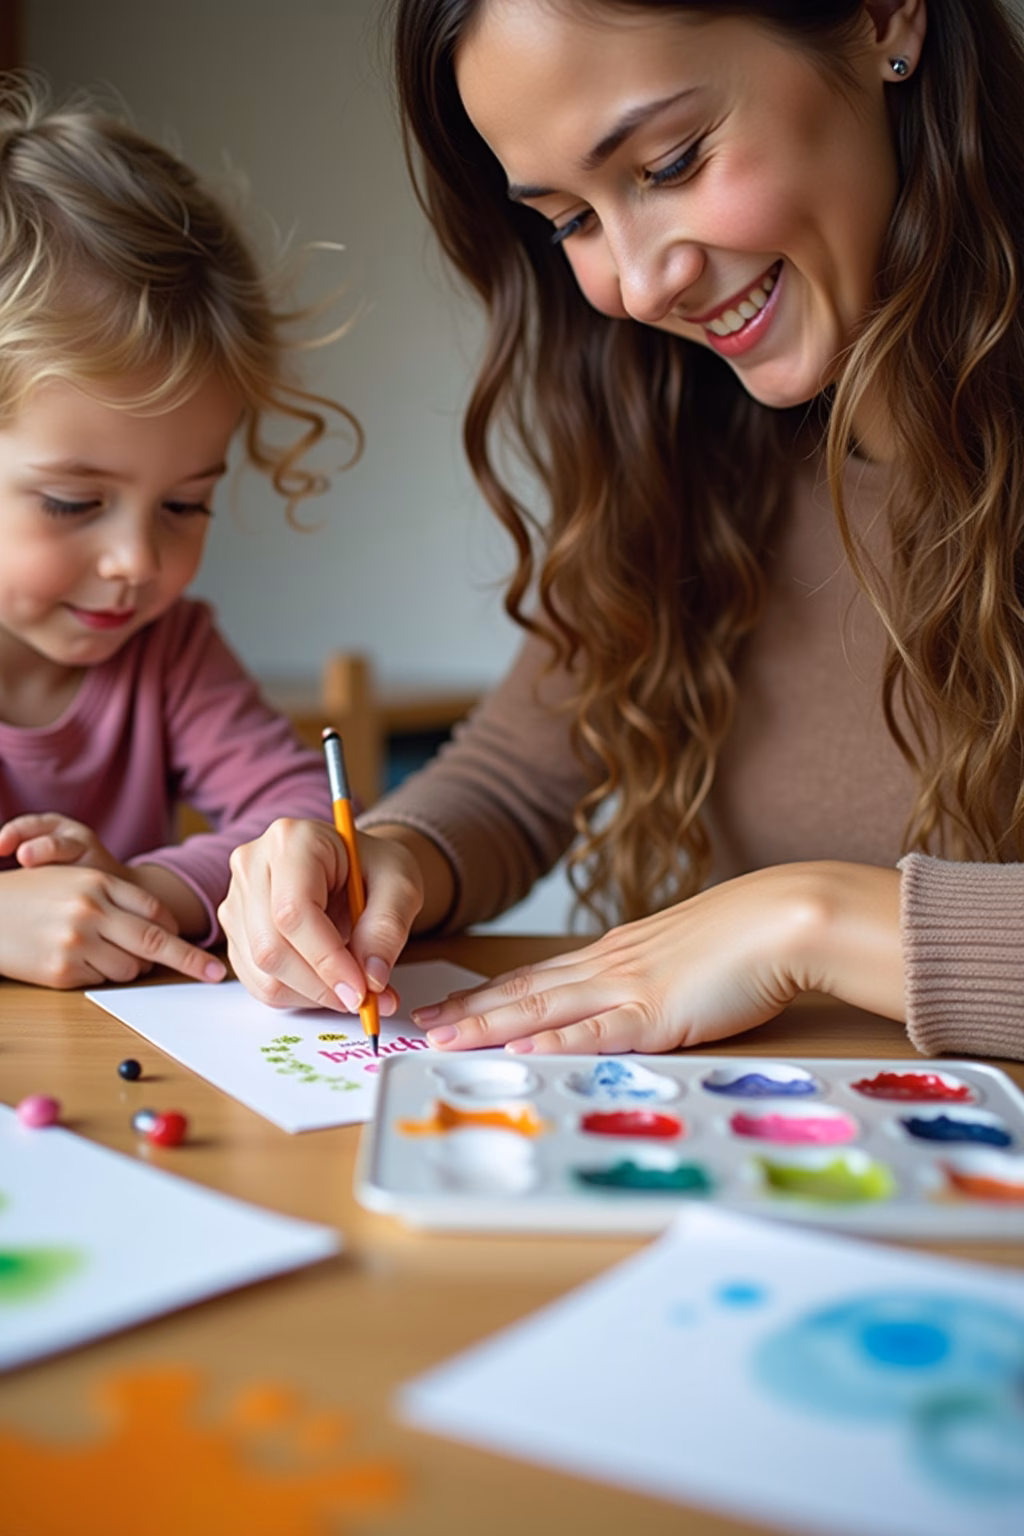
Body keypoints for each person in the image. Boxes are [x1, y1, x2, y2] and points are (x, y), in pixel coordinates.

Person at [219, 0, 1024, 1064]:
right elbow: (515, 776)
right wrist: (384, 859)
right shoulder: (695, 451)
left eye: (672, 161)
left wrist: (813, 920)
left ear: (883, 19)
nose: (637, 287)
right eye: (571, 220)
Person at [0, 74, 360, 990]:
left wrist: (143, 890)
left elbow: (299, 812)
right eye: (73, 503)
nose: (135, 563)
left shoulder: (171, 651)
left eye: (185, 504)